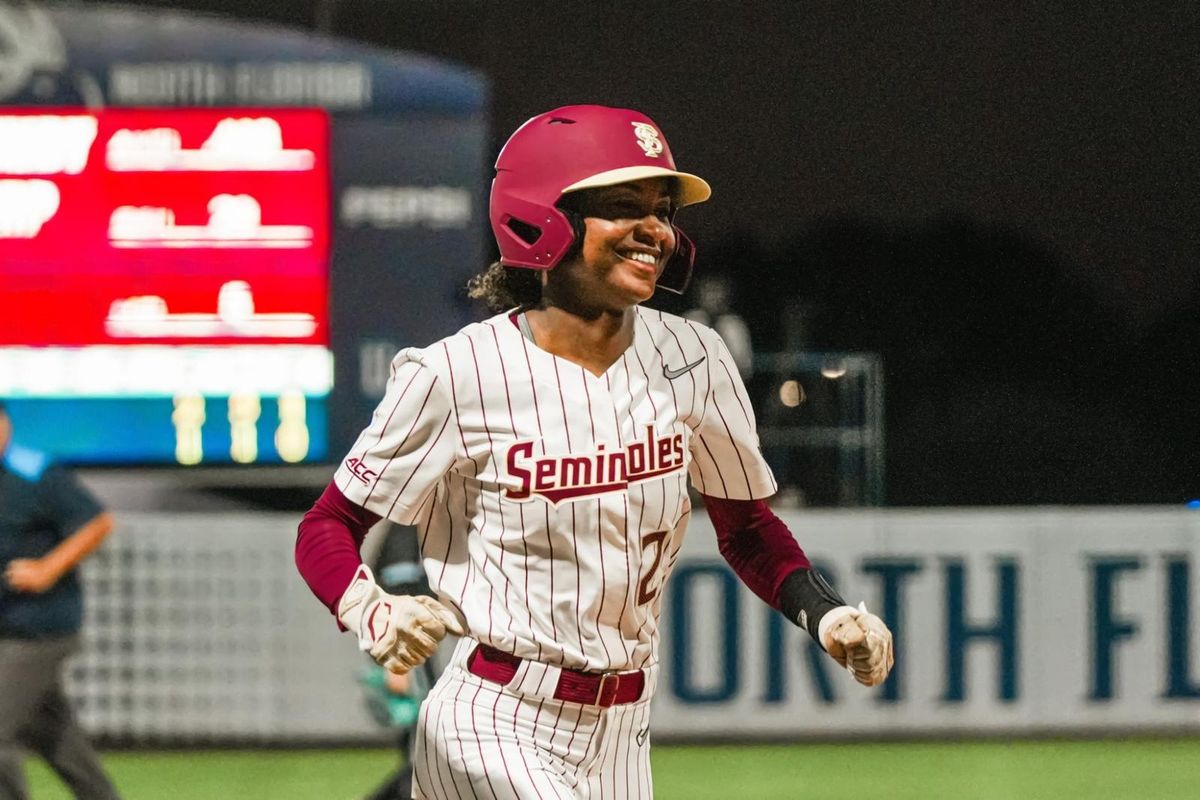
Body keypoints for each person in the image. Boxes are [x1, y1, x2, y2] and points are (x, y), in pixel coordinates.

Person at [296, 105, 894, 799]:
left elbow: (750, 530)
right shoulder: (455, 374)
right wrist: (369, 606)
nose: (657, 230)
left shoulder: (695, 358)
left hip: (625, 729)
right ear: (540, 217)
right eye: (622, 206)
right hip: (492, 717)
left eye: (663, 210)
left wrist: (822, 611)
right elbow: (328, 526)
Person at [0, 402, 121, 800]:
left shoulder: (35, 472)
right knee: (57, 738)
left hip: (38, 629)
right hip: (7, 630)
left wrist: (47, 568)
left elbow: (98, 522)